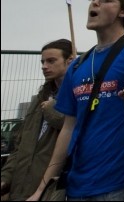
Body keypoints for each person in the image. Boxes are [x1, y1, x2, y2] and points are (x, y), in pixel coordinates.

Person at [28, 0, 124, 201]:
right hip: (77, 186)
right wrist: (41, 188)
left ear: (123, 11)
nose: (95, 2)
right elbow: (68, 128)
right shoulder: (77, 66)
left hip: (120, 184)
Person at [1, 40, 72, 201]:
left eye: (51, 61)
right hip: (21, 188)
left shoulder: (78, 97)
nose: (44, 66)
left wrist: (52, 110)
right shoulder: (39, 99)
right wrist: (5, 178)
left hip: (54, 189)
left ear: (69, 61)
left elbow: (72, 128)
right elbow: (20, 146)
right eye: (42, 62)